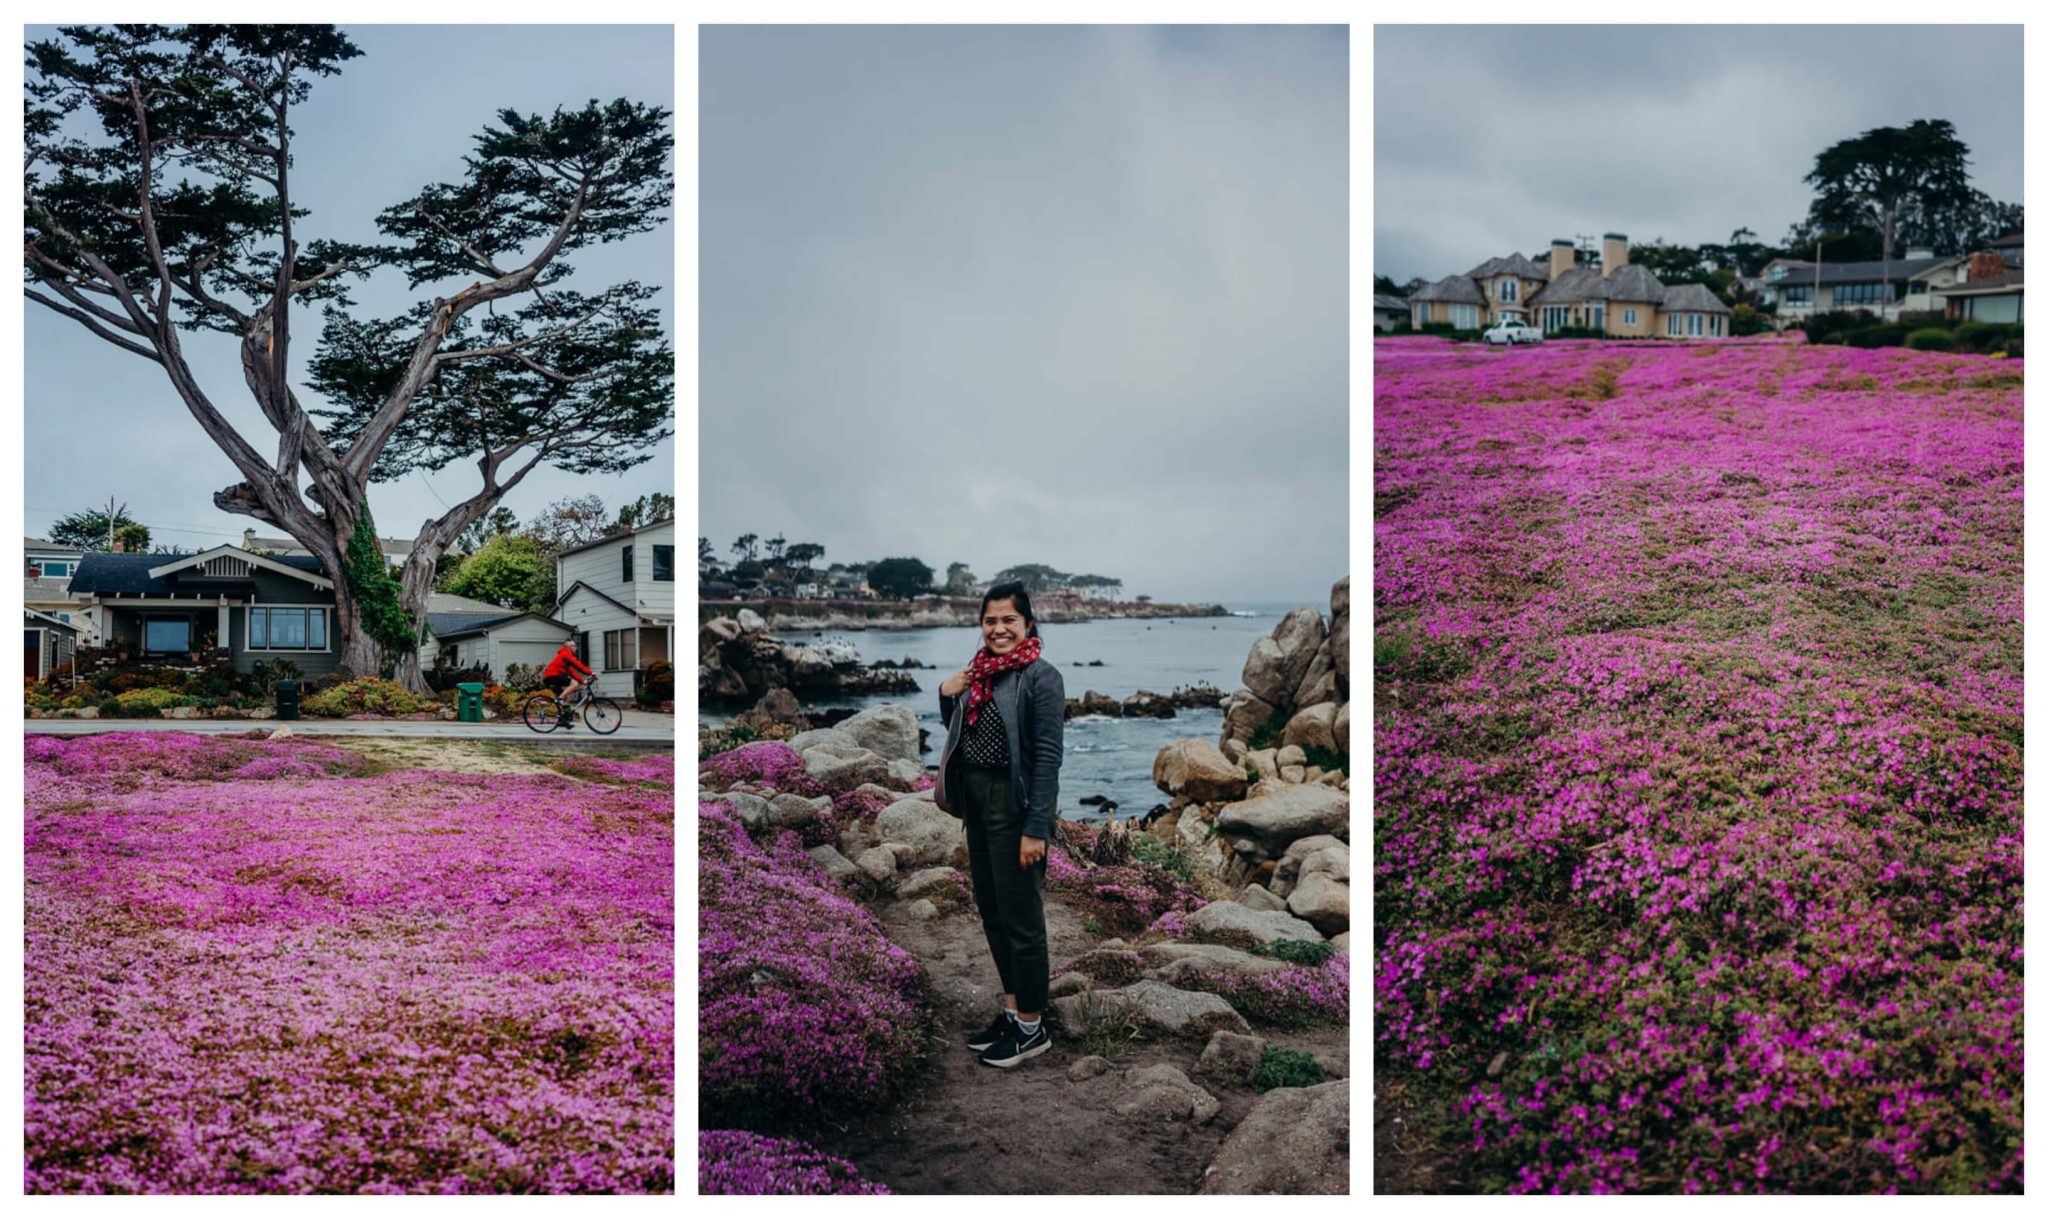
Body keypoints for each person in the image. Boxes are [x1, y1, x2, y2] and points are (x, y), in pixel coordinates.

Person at [934, 581, 1065, 1069]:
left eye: (1009, 619)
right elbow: (962, 737)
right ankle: (1012, 1012)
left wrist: (1037, 829)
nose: (999, 628)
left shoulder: (1041, 678)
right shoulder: (978, 676)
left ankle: (1032, 1027)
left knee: (1022, 921)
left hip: (1016, 810)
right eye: (990, 620)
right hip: (979, 809)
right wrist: (947, 695)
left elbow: (1048, 760)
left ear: (1028, 623)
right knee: (992, 912)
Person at [542, 641, 596, 728]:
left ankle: (563, 720)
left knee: (566, 698)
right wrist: (590, 673)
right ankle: (559, 699)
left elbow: (572, 672)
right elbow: (577, 664)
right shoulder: (565, 654)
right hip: (553, 676)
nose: (576, 648)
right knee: (574, 684)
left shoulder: (564, 657)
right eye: (574, 646)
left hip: (551, 678)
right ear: (569, 646)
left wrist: (583, 681)